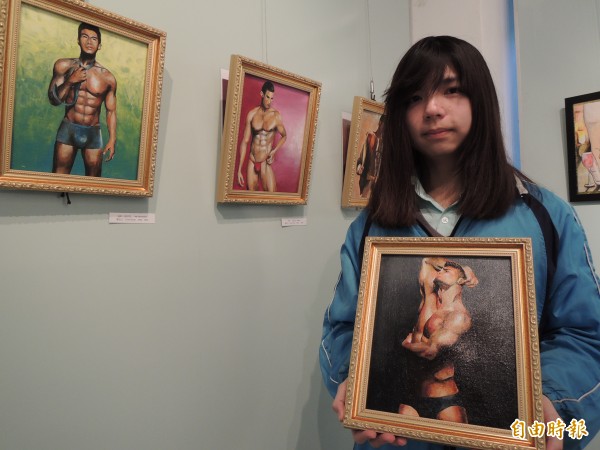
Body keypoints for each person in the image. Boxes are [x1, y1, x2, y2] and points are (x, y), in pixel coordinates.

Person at [319, 36, 600, 450]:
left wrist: (553, 403)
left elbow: (585, 333)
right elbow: (343, 326)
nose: (432, 108)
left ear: (480, 100)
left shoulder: (546, 216)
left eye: (451, 90)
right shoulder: (372, 226)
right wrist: (355, 381)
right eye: (415, 97)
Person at [398, 258, 477, 423]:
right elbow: (427, 261)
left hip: (444, 400)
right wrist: (463, 267)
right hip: (414, 394)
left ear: (460, 281)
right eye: (440, 269)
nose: (440, 271)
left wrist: (405, 345)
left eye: (446, 271)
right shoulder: (429, 297)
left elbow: (430, 352)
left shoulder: (458, 316)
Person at [48, 22, 117, 177]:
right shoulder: (63, 66)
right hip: (69, 129)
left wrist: (112, 139)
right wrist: (70, 81)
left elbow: (111, 111)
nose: (89, 41)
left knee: (93, 184)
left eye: (94, 38)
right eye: (85, 36)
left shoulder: (108, 78)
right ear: (78, 40)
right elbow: (54, 100)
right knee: (58, 179)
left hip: (93, 133)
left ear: (99, 45)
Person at [237, 81, 287, 192]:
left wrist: (274, 151)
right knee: (251, 198)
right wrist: (239, 169)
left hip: (265, 162)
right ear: (262, 94)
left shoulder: (276, 116)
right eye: (267, 97)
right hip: (252, 160)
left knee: (271, 197)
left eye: (272, 98)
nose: (269, 101)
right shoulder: (252, 114)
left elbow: (284, 136)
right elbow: (245, 141)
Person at [356, 116, 384, 197]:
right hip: (368, 181)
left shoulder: (388, 144)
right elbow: (361, 158)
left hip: (381, 185)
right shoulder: (370, 137)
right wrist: (359, 167)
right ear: (380, 123)